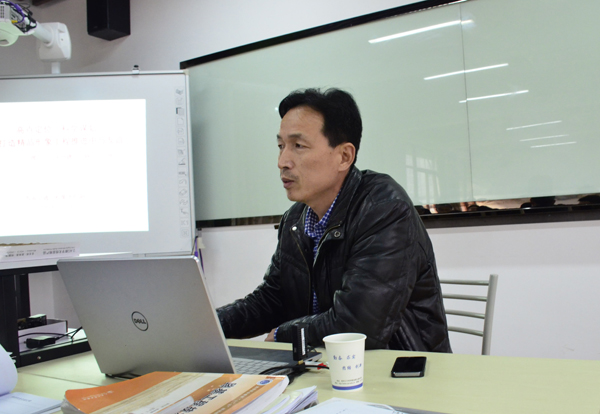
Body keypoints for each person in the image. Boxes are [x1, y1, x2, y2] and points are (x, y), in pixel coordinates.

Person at [217, 88, 451, 352]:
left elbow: (359, 326)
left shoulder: (384, 210)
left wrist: (284, 334)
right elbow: (272, 300)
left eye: (298, 146)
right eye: (281, 146)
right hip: (326, 366)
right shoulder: (296, 219)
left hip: (397, 367)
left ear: (344, 156)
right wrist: (208, 325)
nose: (282, 161)